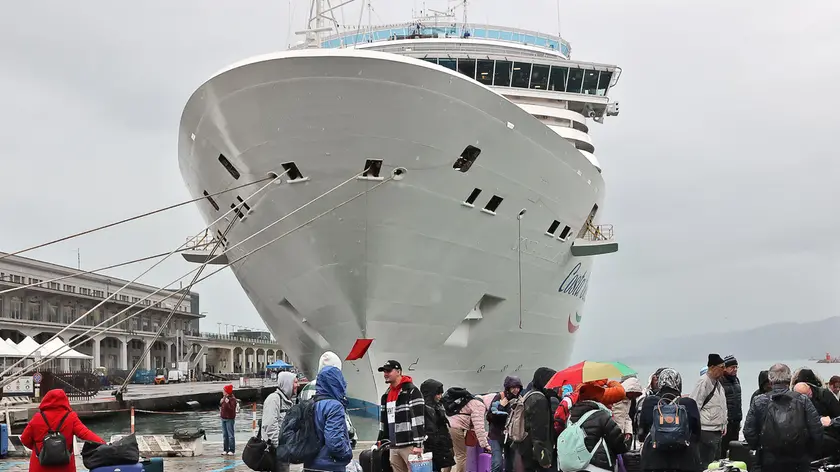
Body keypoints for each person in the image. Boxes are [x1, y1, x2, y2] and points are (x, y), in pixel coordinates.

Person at [743, 363, 823, 472]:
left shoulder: (759, 401)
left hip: (769, 460)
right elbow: (817, 431)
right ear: (789, 379)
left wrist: (760, 447)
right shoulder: (803, 400)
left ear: (770, 380)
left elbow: (749, 431)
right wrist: (808, 452)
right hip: (798, 459)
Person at [21, 389, 105, 472]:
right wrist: (104, 444)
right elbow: (85, 434)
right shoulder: (71, 417)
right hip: (65, 467)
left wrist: (39, 449)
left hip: (39, 466)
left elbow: (24, 439)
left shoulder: (37, 418)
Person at [637, 368, 702, 472]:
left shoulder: (650, 402)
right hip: (685, 461)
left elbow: (641, 433)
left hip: (654, 461)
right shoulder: (689, 404)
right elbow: (697, 433)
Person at [563, 382, 628, 472]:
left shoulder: (570, 416)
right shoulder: (602, 415)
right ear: (596, 397)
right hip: (599, 465)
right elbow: (617, 442)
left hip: (575, 466)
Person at [299, 351, 358, 447]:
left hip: (310, 447)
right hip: (329, 450)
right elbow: (341, 421)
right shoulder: (333, 390)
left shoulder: (306, 389)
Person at [377, 360, 425, 472]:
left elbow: (418, 419)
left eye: (388, 371)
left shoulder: (412, 391)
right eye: (384, 371)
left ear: (398, 371)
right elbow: (384, 421)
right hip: (393, 446)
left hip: (409, 446)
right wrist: (380, 441)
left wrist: (418, 444)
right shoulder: (386, 394)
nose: (385, 374)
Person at [306, 366, 353, 472]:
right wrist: (347, 454)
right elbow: (334, 442)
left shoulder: (311, 404)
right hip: (330, 465)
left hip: (310, 464)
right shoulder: (334, 406)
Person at [688, 353, 727, 467]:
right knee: (706, 464)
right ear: (712, 367)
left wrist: (724, 423)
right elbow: (694, 405)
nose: (723, 370)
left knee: (715, 464)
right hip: (706, 430)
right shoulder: (703, 382)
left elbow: (722, 406)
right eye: (721, 367)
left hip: (717, 430)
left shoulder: (718, 383)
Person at [515, 367, 557, 472]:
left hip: (526, 448)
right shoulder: (540, 400)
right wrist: (544, 458)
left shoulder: (530, 395)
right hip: (536, 454)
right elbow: (539, 431)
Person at [448, 387, 490, 472]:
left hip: (449, 425)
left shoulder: (473, 401)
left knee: (450, 454)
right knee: (462, 456)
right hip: (456, 428)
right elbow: (479, 427)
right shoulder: (480, 406)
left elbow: (472, 423)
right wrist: (486, 445)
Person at [262, 371, 297, 472]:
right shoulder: (274, 399)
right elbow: (270, 426)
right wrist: (280, 447)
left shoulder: (289, 402)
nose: (297, 385)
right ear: (287, 383)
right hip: (274, 453)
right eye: (295, 382)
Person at [487, 376, 522, 472]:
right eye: (513, 387)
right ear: (508, 387)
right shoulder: (500, 397)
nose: (516, 390)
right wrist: (501, 407)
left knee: (510, 464)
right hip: (497, 434)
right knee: (497, 463)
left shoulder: (520, 400)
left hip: (511, 435)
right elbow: (489, 416)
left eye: (518, 387)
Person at [421, 379, 456, 472]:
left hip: (440, 443)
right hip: (430, 444)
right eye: (438, 394)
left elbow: (442, 427)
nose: (440, 396)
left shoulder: (438, 406)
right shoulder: (424, 409)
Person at [719, 355, 742, 459]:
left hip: (736, 421)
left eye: (736, 367)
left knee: (735, 450)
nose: (735, 369)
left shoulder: (736, 380)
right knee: (723, 450)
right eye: (732, 367)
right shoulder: (720, 381)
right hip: (725, 422)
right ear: (725, 368)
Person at [612, 376, 643, 449]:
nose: (634, 397)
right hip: (612, 432)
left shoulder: (628, 401)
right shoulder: (614, 397)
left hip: (619, 433)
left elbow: (626, 416)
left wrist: (628, 432)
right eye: (633, 394)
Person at [221, 384, 238, 456]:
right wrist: (222, 401)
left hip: (229, 418)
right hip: (223, 418)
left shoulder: (232, 399)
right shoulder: (224, 398)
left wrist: (227, 403)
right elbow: (222, 406)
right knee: (225, 435)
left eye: (224, 390)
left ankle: (232, 450)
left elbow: (232, 409)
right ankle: (225, 449)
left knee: (230, 435)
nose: (223, 392)